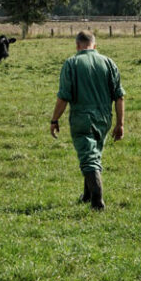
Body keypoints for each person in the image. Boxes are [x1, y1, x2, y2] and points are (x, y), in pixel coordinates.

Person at [50, 30, 125, 209]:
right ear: (95, 45)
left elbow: (64, 96)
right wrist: (120, 123)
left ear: (77, 45)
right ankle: (87, 195)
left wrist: (54, 119)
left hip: (82, 118)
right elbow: (119, 96)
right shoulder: (108, 62)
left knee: (88, 157)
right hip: (104, 118)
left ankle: (97, 201)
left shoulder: (72, 63)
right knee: (94, 152)